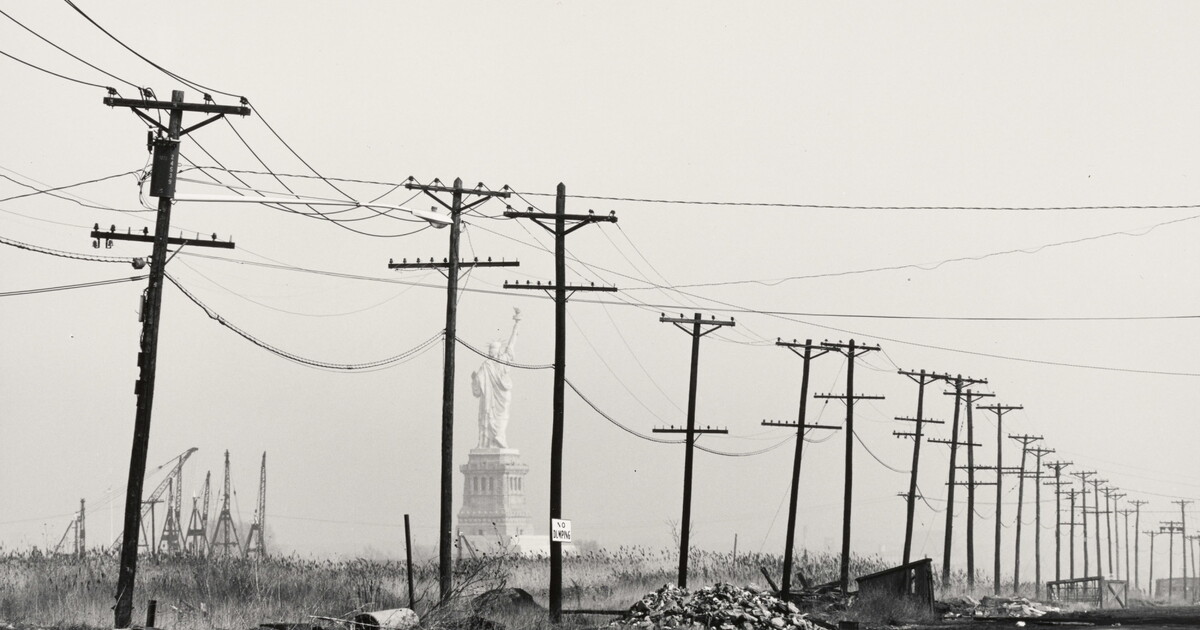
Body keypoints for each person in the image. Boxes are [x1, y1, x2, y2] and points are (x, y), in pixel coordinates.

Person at [472, 307, 520, 448]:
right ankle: (486, 443)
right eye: (490, 350)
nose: (491, 352)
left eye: (493, 350)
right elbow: (477, 388)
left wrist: (517, 324)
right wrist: (475, 379)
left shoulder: (504, 359)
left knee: (502, 418)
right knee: (486, 417)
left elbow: (512, 344)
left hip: (502, 397)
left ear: (498, 351)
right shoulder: (486, 365)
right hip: (488, 399)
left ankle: (499, 438)